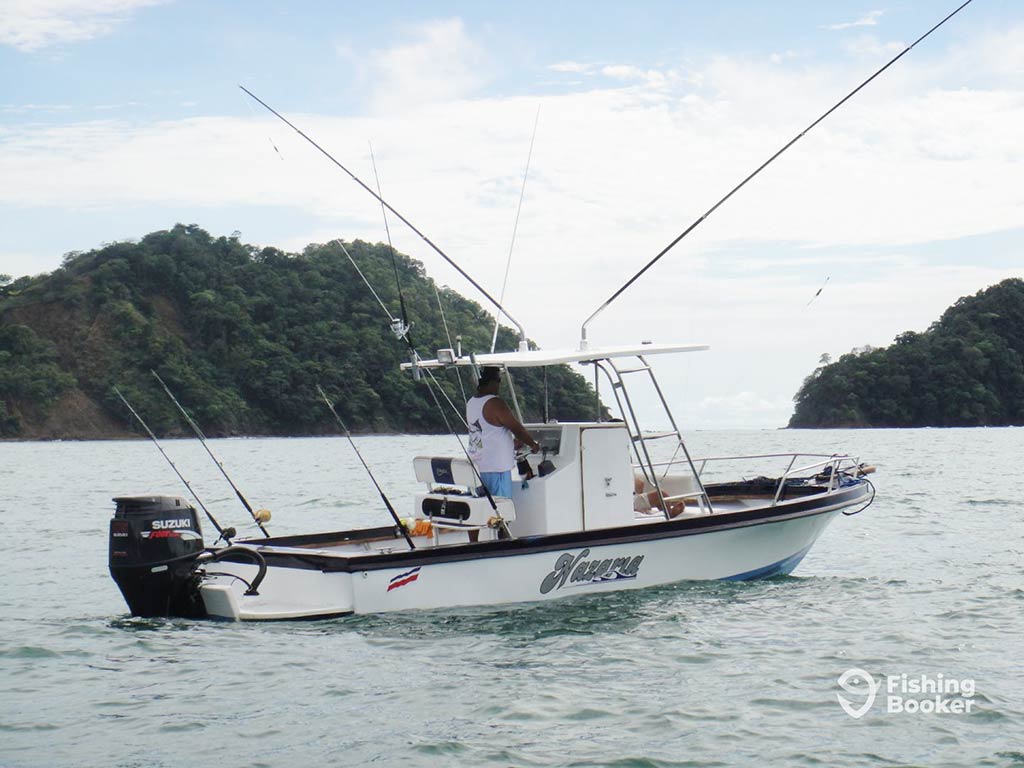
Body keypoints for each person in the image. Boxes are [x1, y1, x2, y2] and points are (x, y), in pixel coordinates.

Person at [467, 366, 539, 498]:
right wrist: (533, 444)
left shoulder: (471, 402)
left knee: (484, 511)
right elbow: (517, 428)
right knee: (500, 511)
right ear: (493, 381)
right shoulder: (495, 403)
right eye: (499, 380)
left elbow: (486, 432)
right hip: (496, 468)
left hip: (476, 467)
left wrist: (510, 444)